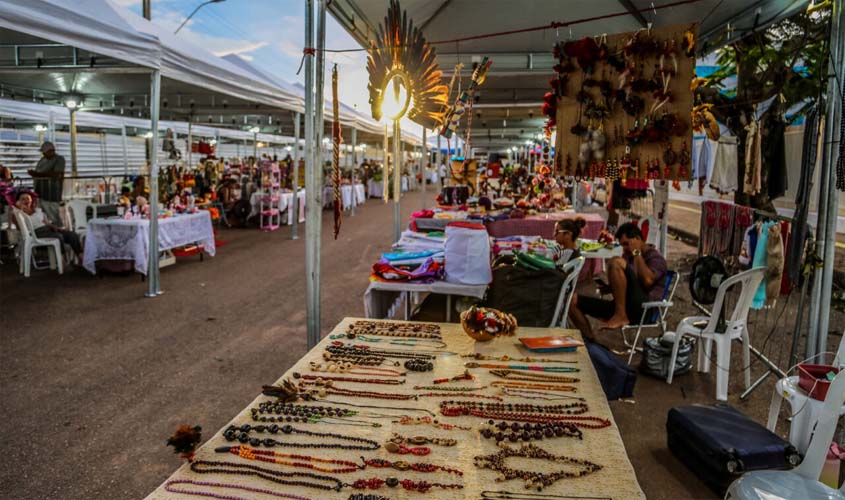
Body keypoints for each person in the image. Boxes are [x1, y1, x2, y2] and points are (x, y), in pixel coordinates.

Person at [568, 222, 667, 340]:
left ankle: (620, 315)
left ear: (638, 239)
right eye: (622, 246)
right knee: (571, 300)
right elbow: (631, 283)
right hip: (623, 306)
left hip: (644, 309)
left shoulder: (655, 258)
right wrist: (610, 287)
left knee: (615, 261)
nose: (625, 249)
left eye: (626, 244)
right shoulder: (628, 255)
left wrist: (636, 252)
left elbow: (647, 281)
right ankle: (591, 342)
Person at [14, 192, 83, 260]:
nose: (26, 201)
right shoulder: (18, 213)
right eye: (23, 199)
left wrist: (56, 228)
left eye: (28, 198)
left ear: (31, 200)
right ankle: (62, 259)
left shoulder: (38, 210)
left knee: (72, 235)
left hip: (48, 230)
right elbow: (18, 227)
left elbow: (46, 222)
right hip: (36, 233)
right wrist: (21, 209)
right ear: (18, 202)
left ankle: (80, 257)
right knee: (59, 237)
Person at [27, 141, 65, 226]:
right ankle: (47, 230)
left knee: (53, 215)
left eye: (45, 152)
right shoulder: (42, 160)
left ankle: (59, 230)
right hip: (40, 192)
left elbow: (57, 173)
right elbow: (38, 172)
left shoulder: (59, 159)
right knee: (42, 215)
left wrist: (37, 174)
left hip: (52, 193)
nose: (43, 154)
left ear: (51, 150)